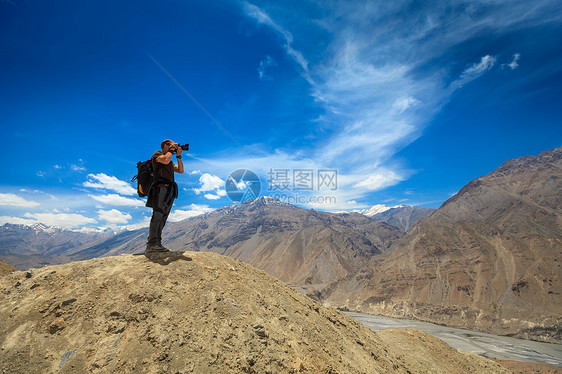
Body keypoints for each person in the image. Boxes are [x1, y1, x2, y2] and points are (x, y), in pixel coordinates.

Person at [146, 139, 184, 252]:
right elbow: (165, 160)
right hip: (160, 188)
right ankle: (152, 244)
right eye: (169, 144)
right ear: (164, 145)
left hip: (169, 189)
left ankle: (157, 243)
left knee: (163, 217)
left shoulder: (170, 159)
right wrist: (171, 150)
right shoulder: (158, 154)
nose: (172, 146)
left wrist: (178, 156)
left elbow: (181, 170)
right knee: (157, 214)